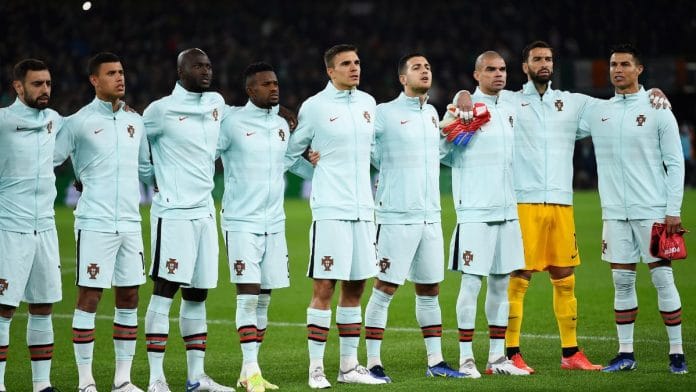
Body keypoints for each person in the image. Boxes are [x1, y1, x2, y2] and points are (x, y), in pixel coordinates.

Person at [453, 41, 671, 374]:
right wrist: (461, 95)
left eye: (549, 59)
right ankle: (511, 352)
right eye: (537, 59)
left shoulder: (572, 103)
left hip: (561, 203)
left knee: (565, 278)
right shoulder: (509, 100)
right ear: (525, 66)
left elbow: (619, 105)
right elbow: (476, 98)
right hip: (523, 201)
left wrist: (651, 92)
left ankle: (570, 352)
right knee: (519, 278)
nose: (544, 63)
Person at [578, 44, 687, 374]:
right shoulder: (600, 112)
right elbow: (561, 128)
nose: (618, 69)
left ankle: (677, 353)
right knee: (621, 283)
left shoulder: (658, 109)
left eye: (625, 64)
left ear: (639, 69)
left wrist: (673, 209)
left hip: (652, 210)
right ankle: (625, 353)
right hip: (613, 212)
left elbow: (674, 162)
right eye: (613, 64)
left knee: (663, 280)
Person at [284, 44, 386, 388]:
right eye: (346, 64)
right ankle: (316, 369)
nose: (354, 68)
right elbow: (290, 154)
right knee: (325, 287)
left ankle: (348, 366)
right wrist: (314, 172)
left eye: (357, 62)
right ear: (330, 71)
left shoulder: (368, 103)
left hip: (363, 210)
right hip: (330, 210)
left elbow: (376, 153)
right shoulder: (315, 107)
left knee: (356, 288)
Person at [362, 53, 466, 381]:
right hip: (395, 215)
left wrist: (457, 135)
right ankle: (374, 362)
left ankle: (435, 361)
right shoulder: (383, 113)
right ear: (402, 78)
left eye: (428, 67)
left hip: (430, 216)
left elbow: (437, 152)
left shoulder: (432, 113)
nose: (425, 71)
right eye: (417, 68)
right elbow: (362, 145)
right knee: (384, 288)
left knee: (430, 288)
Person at [53, 52, 152, 392]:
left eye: (122, 72)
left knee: (129, 298)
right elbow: (50, 158)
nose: (120, 78)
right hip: (94, 221)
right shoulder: (77, 122)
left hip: (130, 221)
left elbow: (145, 168)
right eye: (111, 73)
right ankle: (85, 381)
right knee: (89, 298)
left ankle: (123, 380)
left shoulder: (135, 122)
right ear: (94, 80)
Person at [217, 62, 314, 392]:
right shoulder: (230, 122)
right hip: (241, 220)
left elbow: (290, 163)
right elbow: (203, 153)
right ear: (250, 90)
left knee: (264, 300)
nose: (274, 88)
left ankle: (249, 372)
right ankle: (252, 370)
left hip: (275, 221)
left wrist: (318, 167)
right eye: (265, 84)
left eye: (275, 82)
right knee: (247, 295)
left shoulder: (282, 125)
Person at [142, 48, 233, 392]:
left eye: (209, 65)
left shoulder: (216, 103)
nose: (206, 70)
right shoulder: (160, 111)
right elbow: (135, 142)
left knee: (197, 295)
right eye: (198, 66)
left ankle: (196, 378)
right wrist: (153, 178)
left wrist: (280, 112)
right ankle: (155, 378)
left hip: (206, 213)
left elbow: (237, 118)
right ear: (181, 72)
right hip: (174, 215)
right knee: (164, 292)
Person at [442, 51, 529, 377]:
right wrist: (458, 103)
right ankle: (466, 359)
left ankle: (496, 359)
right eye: (490, 69)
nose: (498, 74)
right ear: (476, 74)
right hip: (475, 212)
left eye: (503, 69)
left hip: (507, 211)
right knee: (471, 283)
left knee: (500, 284)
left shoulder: (508, 111)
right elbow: (441, 151)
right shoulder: (462, 109)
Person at [0, 59, 64, 392]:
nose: (45, 90)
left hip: (46, 226)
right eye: (37, 84)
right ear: (18, 87)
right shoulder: (2, 121)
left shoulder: (54, 121)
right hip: (9, 227)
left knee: (43, 305)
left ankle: (42, 385)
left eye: (48, 83)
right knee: (4, 307)